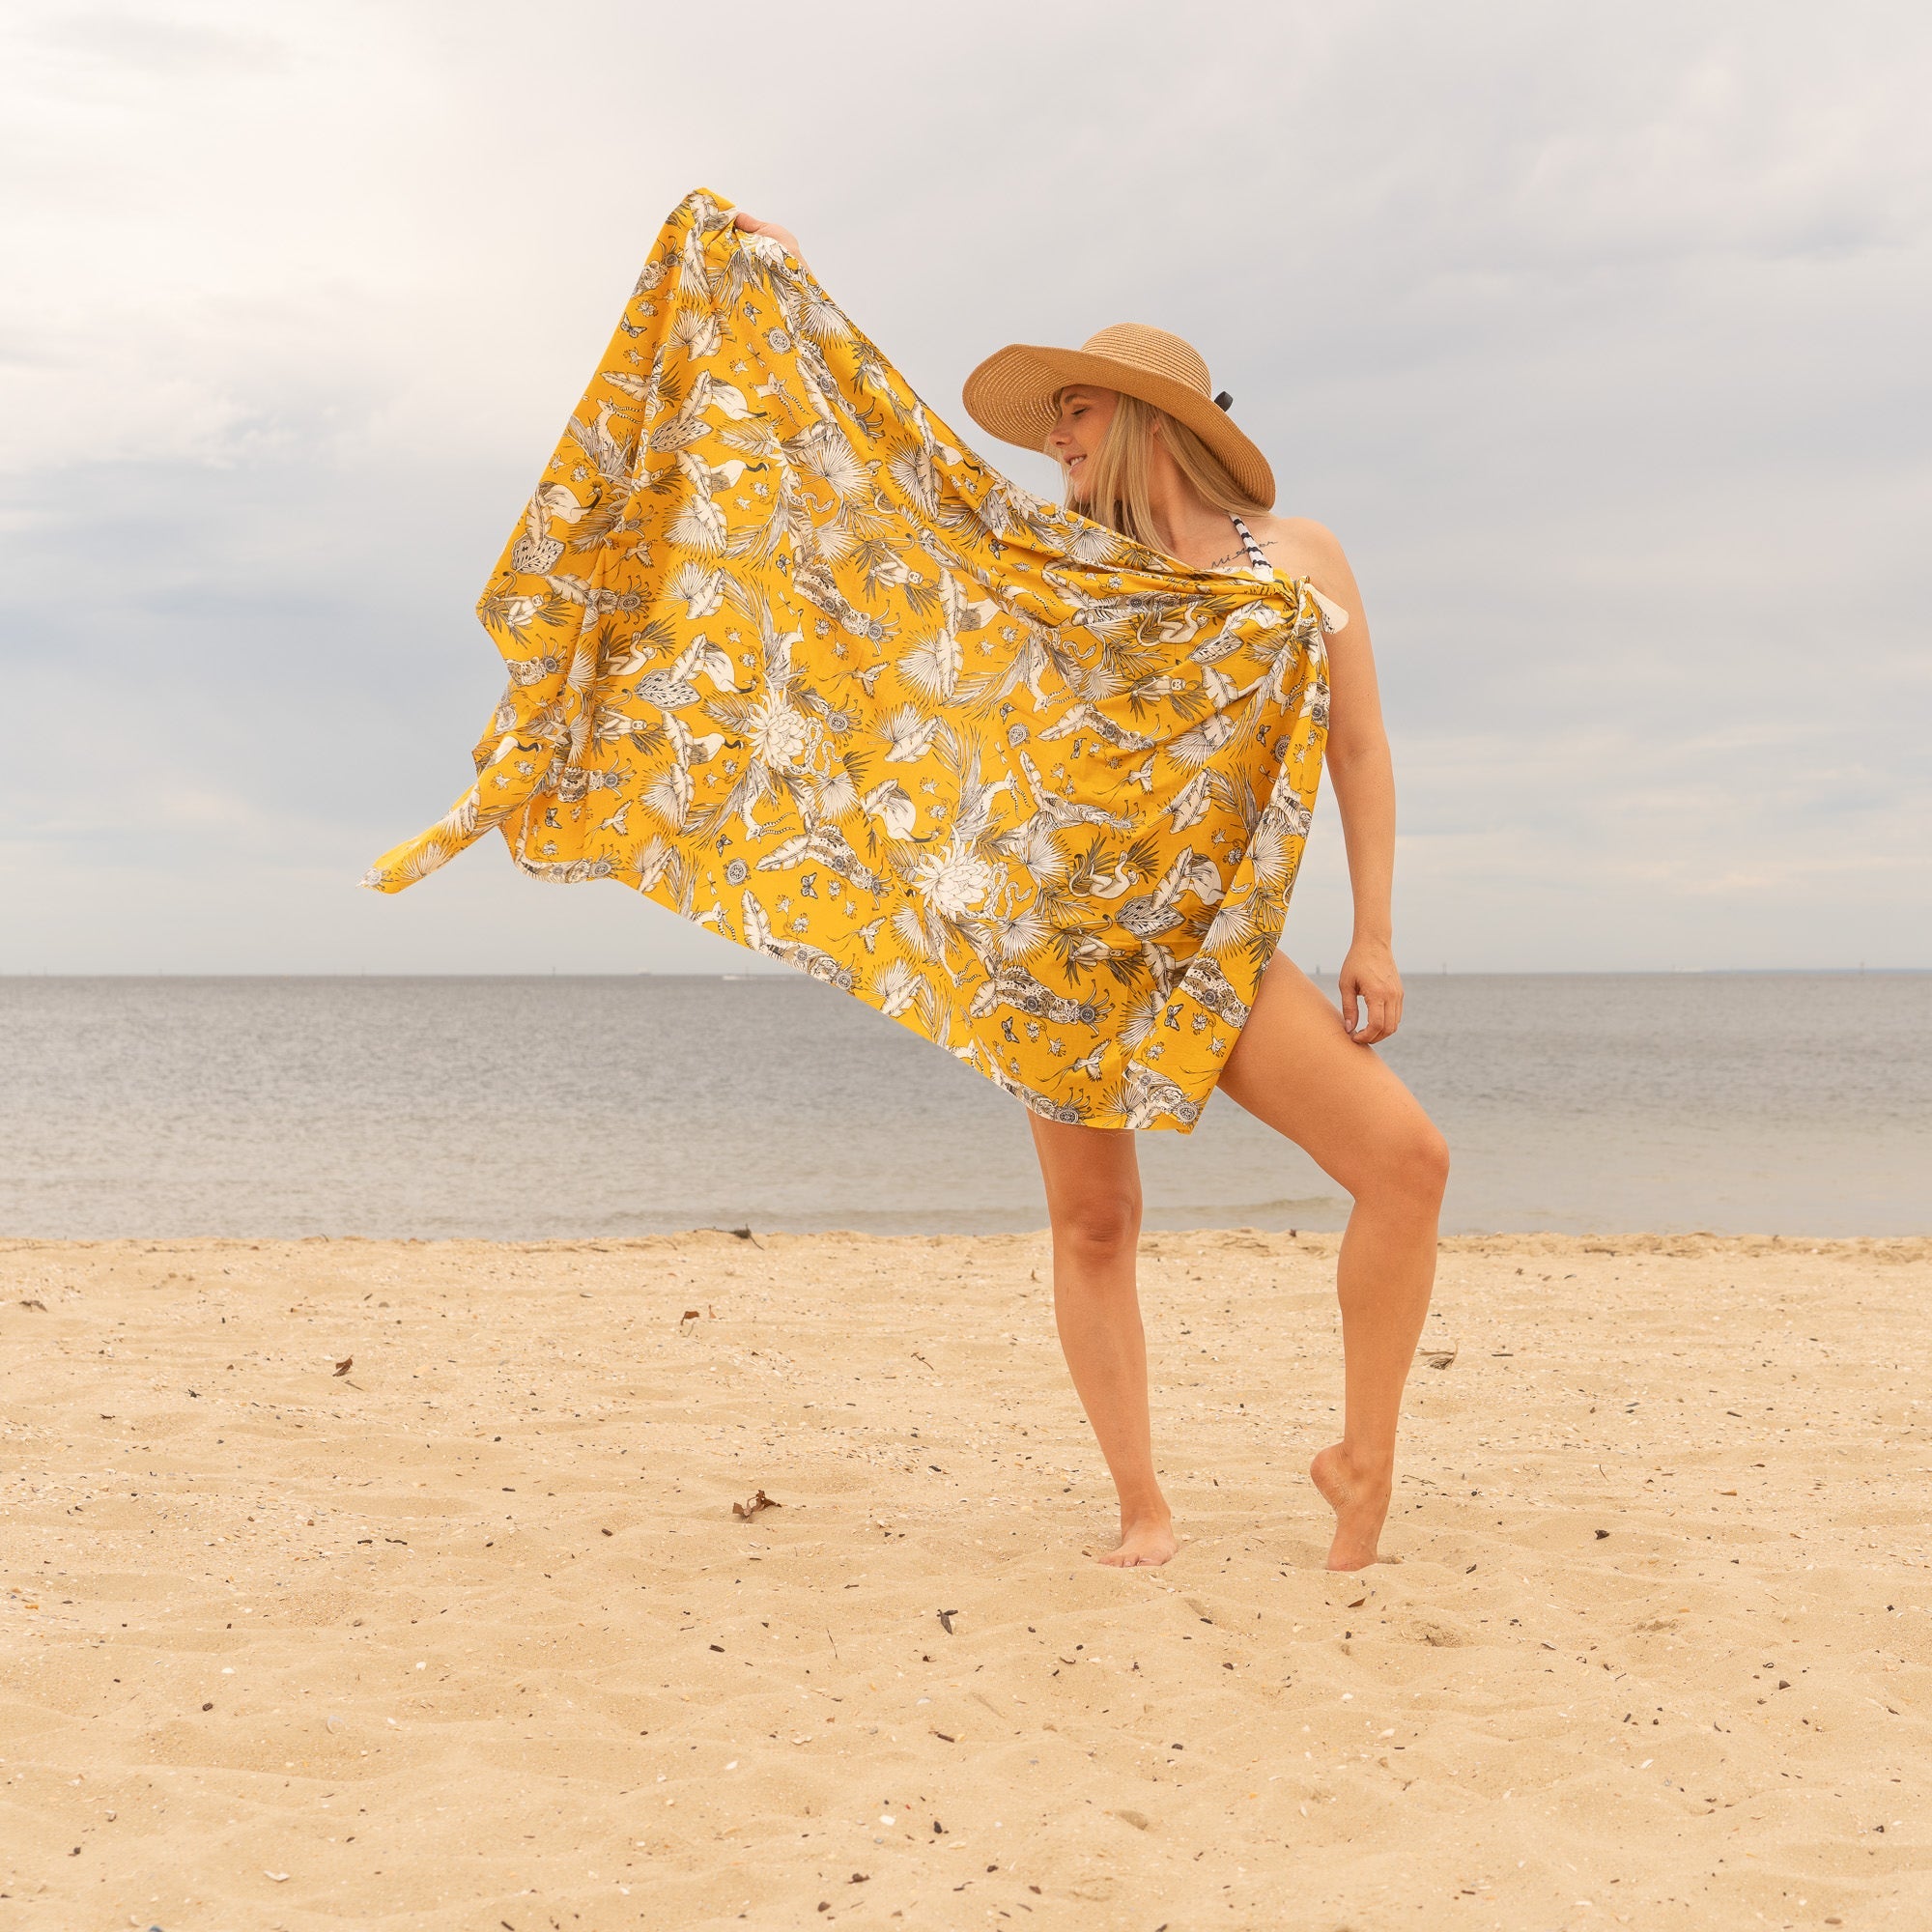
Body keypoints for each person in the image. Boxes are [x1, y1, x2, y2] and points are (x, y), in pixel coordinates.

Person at [733, 212, 1449, 1574]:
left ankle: (1364, 1459)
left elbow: (1359, 744)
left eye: (1071, 413)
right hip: (1058, 943)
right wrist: (789, 285)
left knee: (1407, 1164)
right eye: (1053, 418)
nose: (1053, 439)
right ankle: (1142, 1504)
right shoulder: (1057, 570)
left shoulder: (1299, 560)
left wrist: (1373, 929)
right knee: (1097, 1220)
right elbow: (882, 489)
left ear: (1140, 418)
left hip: (1212, 953)